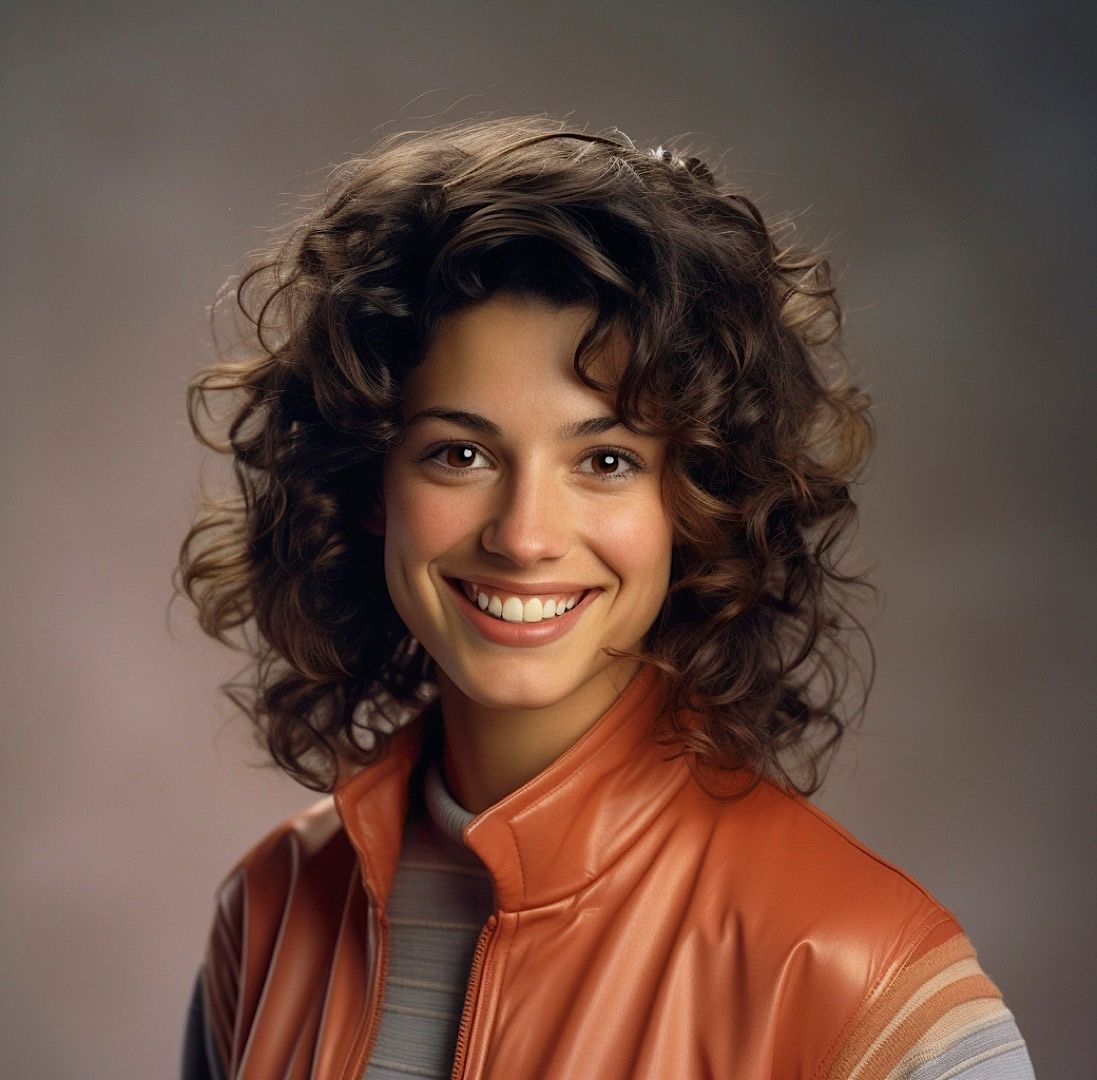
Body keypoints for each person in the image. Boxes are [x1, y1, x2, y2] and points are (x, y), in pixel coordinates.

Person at [177, 116, 1036, 1079]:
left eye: (606, 460)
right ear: (371, 484)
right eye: (460, 454)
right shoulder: (268, 912)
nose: (525, 534)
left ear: (698, 499)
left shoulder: (857, 975)